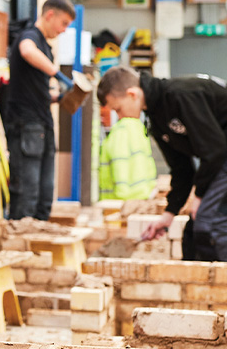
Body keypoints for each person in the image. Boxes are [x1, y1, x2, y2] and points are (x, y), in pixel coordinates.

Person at [97, 66, 227, 261]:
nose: (120, 116)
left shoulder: (181, 95)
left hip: (222, 154)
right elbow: (182, 169)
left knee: (210, 227)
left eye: (118, 109)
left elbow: (215, 151)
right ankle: (193, 287)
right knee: (193, 234)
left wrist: (199, 196)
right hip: (220, 157)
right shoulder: (156, 120)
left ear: (132, 94)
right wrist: (169, 214)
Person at [5, 0, 76, 220]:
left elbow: (34, 87)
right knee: (28, 194)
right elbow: (26, 51)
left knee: (45, 196)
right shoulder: (30, 36)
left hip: (42, 124)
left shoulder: (45, 44)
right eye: (63, 23)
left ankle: (38, 248)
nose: (64, 30)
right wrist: (57, 73)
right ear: (49, 15)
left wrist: (57, 97)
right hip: (27, 125)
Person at [97, 116, 157, 201]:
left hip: (120, 202)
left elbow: (119, 167)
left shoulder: (122, 130)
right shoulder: (138, 129)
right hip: (135, 199)